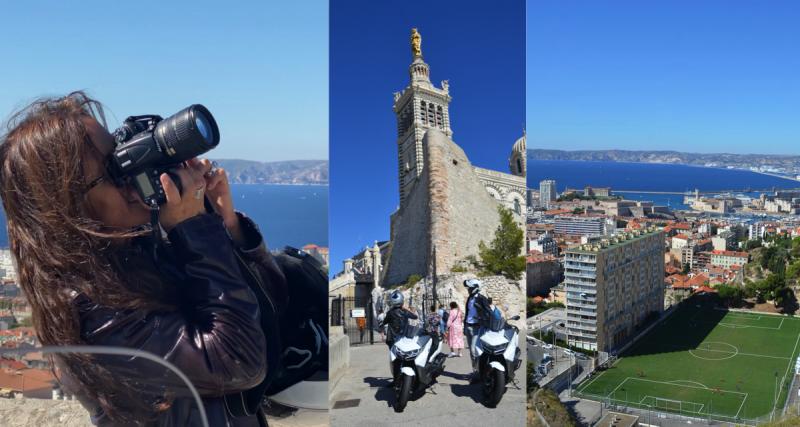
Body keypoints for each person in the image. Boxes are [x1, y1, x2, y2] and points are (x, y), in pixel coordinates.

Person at [0, 92, 289, 426]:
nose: (131, 174)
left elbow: (273, 308)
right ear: (66, 205)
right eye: (113, 170)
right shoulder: (91, 313)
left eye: (122, 154)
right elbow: (240, 361)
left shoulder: (136, 249)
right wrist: (195, 230)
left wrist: (227, 229)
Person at [463, 279, 492, 382]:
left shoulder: (481, 299)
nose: (468, 290)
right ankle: (475, 372)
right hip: (468, 326)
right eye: (468, 288)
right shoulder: (469, 298)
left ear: (476, 288)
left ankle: (480, 372)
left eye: (470, 288)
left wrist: (483, 320)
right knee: (471, 352)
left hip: (477, 327)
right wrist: (464, 326)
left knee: (475, 350)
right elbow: (468, 313)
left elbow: (489, 312)